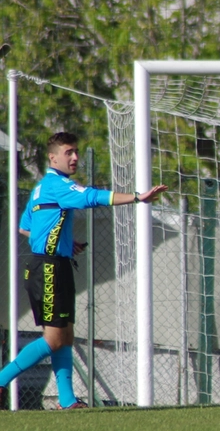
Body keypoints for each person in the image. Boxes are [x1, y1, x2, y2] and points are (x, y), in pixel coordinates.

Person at [0, 132, 167, 410]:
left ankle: (67, 401)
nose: (75, 157)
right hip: (48, 269)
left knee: (64, 335)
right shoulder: (58, 185)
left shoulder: (41, 188)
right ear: (53, 158)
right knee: (53, 339)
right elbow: (91, 196)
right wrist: (138, 197)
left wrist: (64, 242)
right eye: (69, 153)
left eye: (76, 151)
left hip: (56, 264)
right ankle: (2, 378)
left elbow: (24, 226)